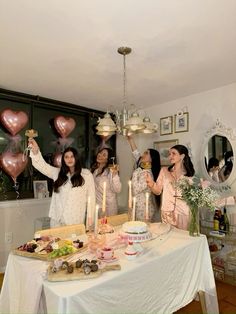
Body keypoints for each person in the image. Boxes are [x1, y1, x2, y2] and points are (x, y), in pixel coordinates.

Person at [29, 138, 96, 228]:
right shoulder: (57, 173)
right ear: (63, 159)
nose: (69, 159)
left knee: (74, 242)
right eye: (66, 157)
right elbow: (42, 166)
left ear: (76, 158)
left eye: (72, 156)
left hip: (74, 221)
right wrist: (36, 151)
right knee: (55, 242)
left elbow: (91, 199)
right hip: (57, 220)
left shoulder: (86, 174)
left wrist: (90, 223)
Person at [146, 144, 195, 230]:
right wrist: (151, 184)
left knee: (182, 239)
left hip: (183, 213)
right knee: (168, 238)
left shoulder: (190, 175)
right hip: (167, 212)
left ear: (182, 156)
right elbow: (157, 191)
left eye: (173, 153)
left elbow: (192, 196)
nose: (170, 156)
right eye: (169, 154)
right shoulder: (164, 171)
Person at [127, 135, 161, 221]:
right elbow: (136, 153)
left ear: (151, 159)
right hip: (136, 206)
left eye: (146, 153)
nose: (142, 154)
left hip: (144, 210)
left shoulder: (147, 174)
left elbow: (136, 189)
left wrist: (135, 172)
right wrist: (130, 139)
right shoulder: (142, 166)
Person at [91, 147, 122, 217]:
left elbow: (117, 189)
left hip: (109, 208)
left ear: (108, 159)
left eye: (104, 155)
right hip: (97, 207)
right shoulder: (94, 171)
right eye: (100, 153)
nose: (100, 155)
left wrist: (115, 175)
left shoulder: (110, 171)